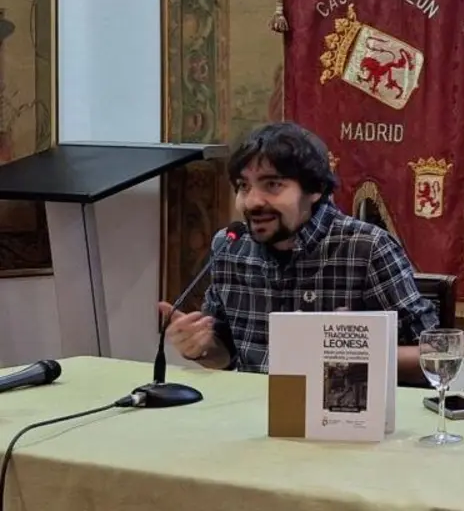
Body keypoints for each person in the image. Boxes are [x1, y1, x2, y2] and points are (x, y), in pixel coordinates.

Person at [159, 121, 439, 379]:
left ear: (315, 188)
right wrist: (201, 348)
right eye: (244, 186)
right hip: (253, 409)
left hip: (338, 409)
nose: (253, 201)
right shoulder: (230, 246)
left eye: (272, 185)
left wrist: (355, 353)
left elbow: (436, 354)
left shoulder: (366, 247)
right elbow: (226, 356)